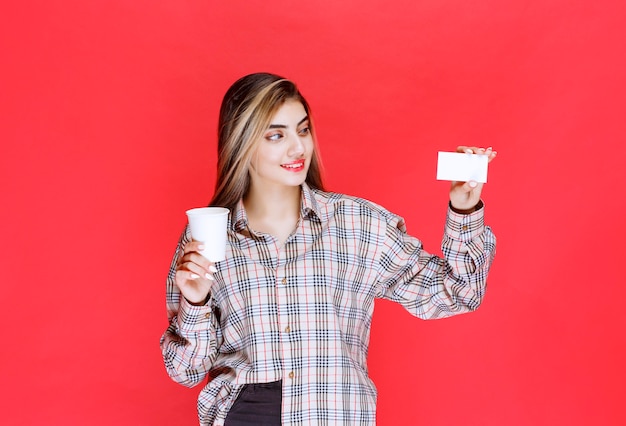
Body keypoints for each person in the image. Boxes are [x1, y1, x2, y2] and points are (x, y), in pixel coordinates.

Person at [160, 72, 497, 425]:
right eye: (277, 135)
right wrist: (195, 303)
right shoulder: (207, 237)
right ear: (242, 144)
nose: (298, 148)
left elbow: (459, 293)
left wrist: (464, 209)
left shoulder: (358, 225)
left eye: (302, 130)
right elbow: (185, 371)